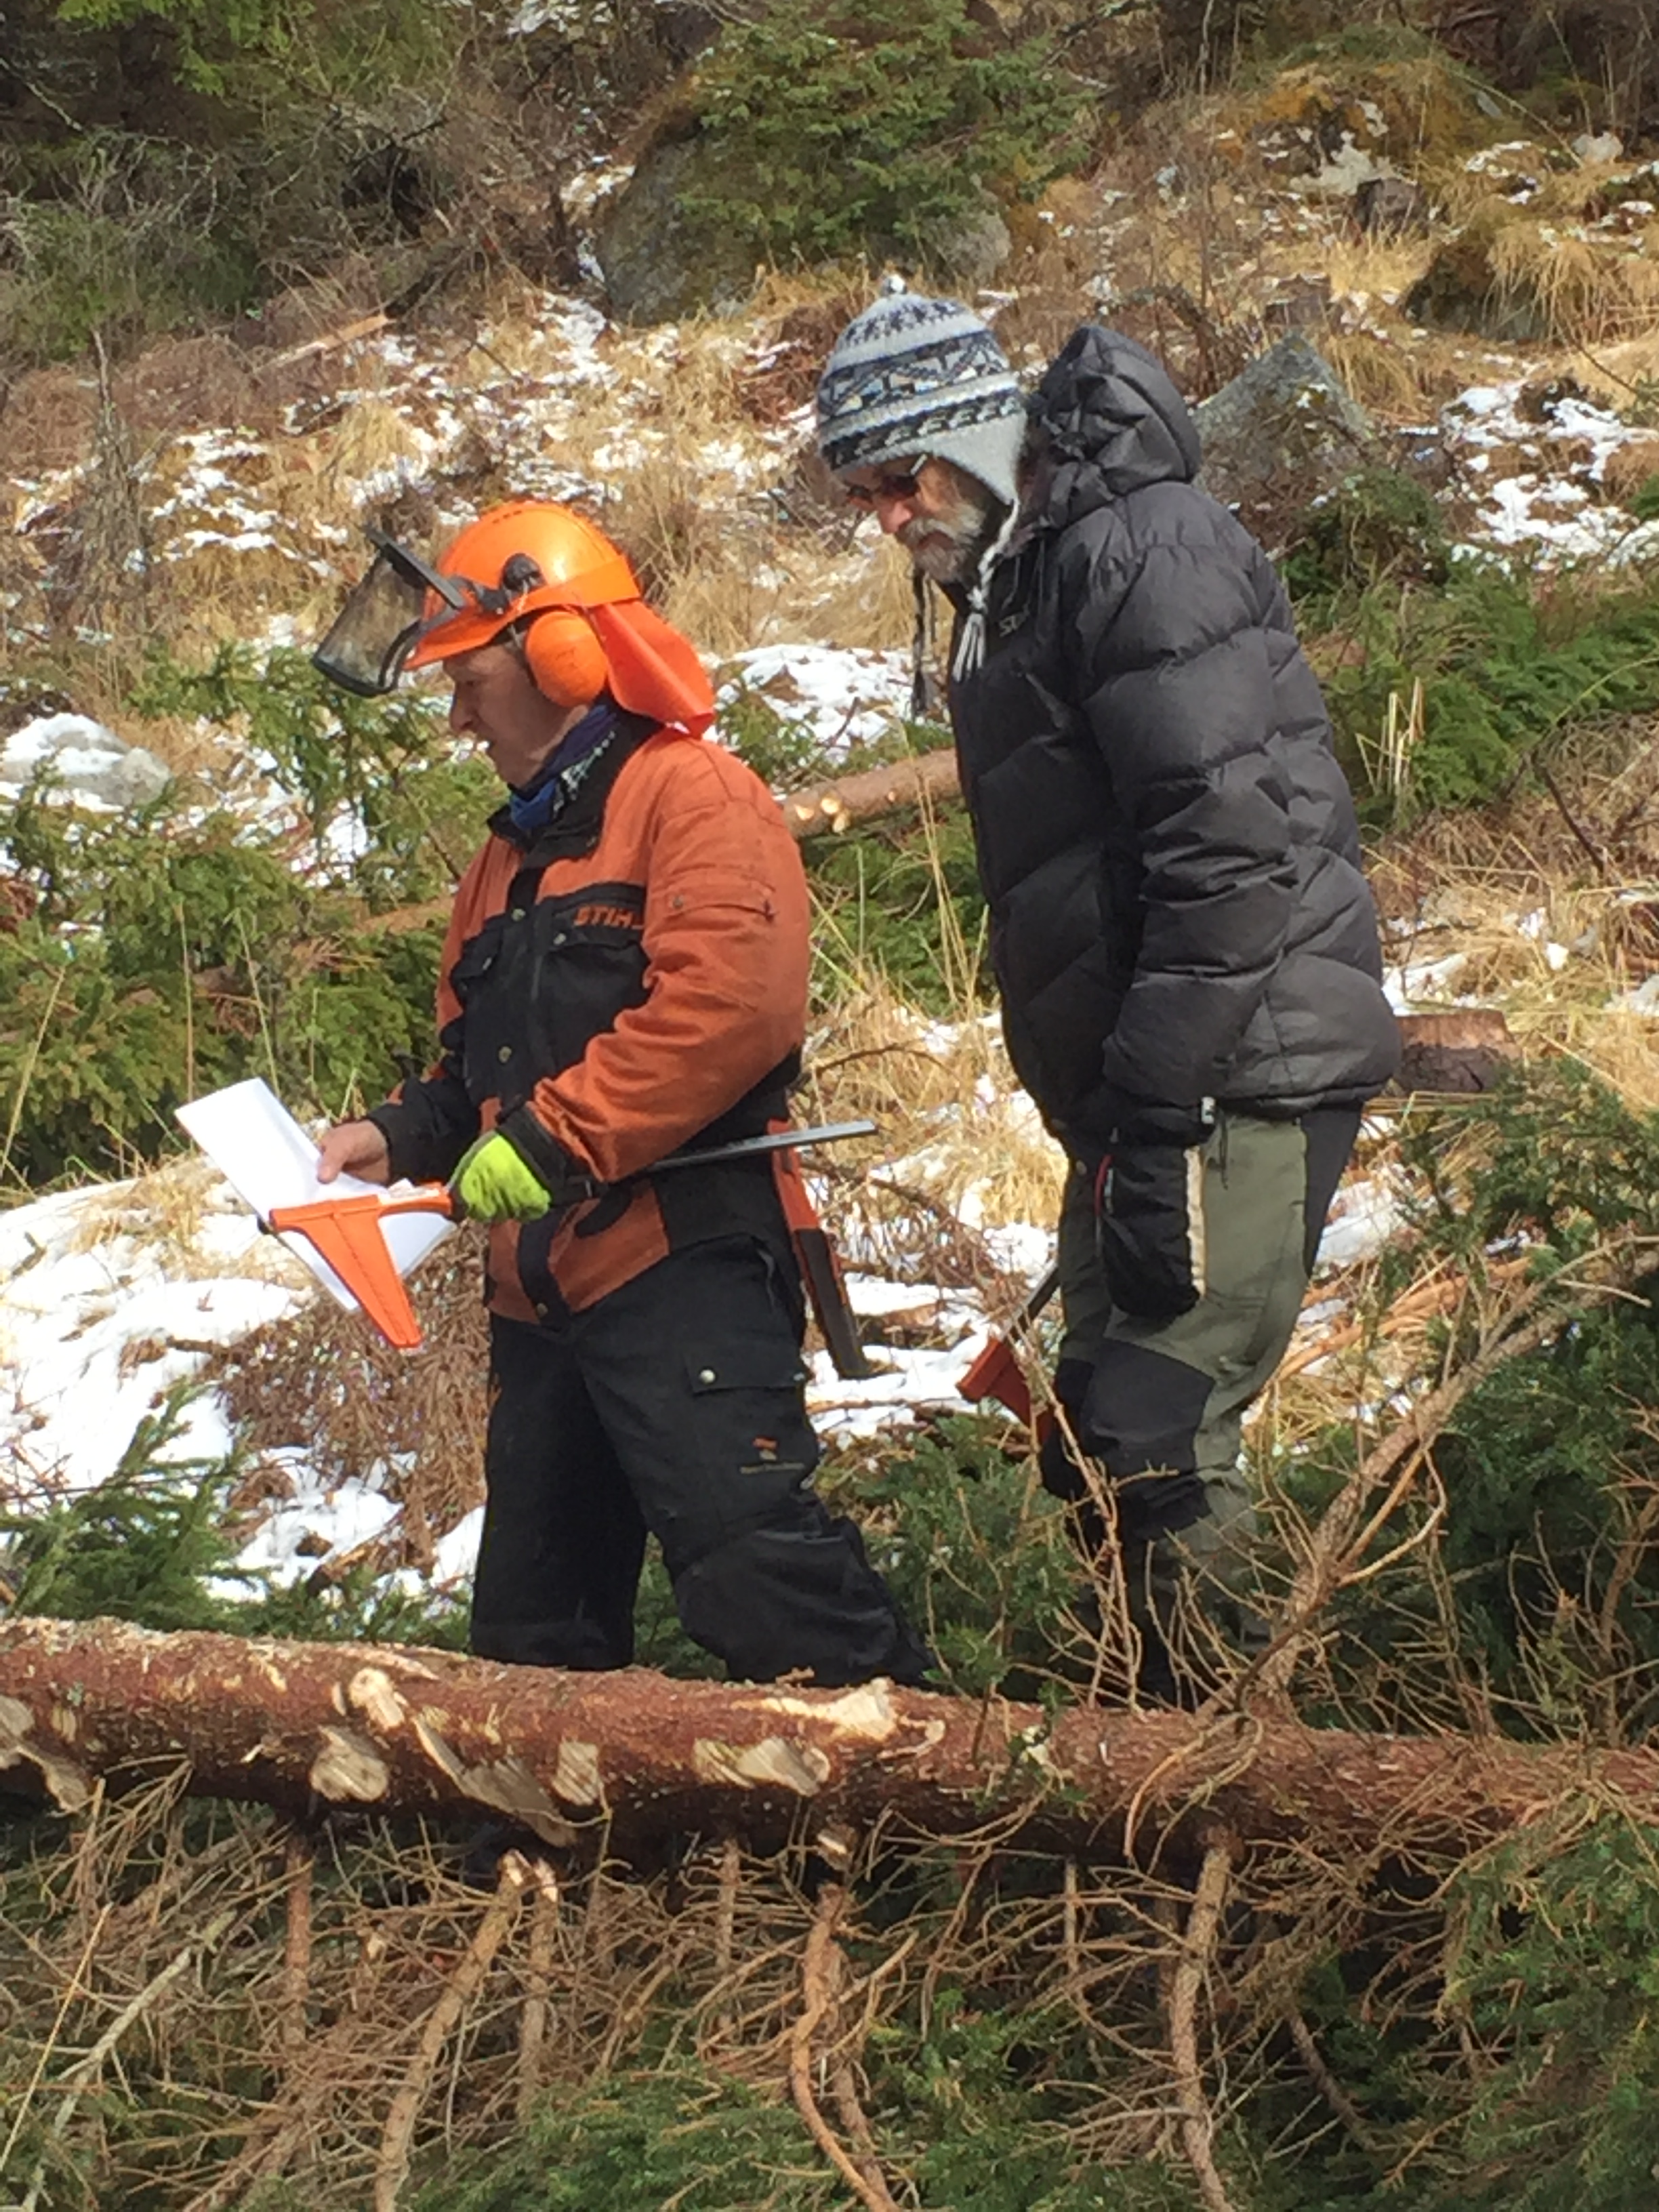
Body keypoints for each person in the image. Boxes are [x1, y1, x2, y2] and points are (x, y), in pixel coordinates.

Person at [815, 291, 1401, 1699]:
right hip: (1152, 1095)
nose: (889, 516)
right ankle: (1165, 1777)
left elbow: (1231, 849)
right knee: (1094, 1447)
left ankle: (1282, 1798)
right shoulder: (1025, 577)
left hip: (1230, 1072)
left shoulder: (1142, 546)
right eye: (867, 493)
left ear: (968, 437)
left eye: (901, 479)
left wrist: (1152, 1094)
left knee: (1153, 1436)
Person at [310, 498, 930, 1689]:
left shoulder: (694, 797)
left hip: (679, 1261)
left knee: (759, 1585)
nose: (456, 714)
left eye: (470, 681)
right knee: (532, 1647)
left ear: (558, 652)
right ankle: (532, 1874)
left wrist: (556, 1140)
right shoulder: (505, 861)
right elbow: (471, 1069)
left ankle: (926, 1820)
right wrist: (390, 1137)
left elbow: (731, 1009)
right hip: (541, 1304)